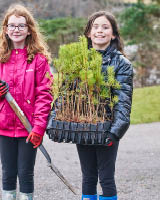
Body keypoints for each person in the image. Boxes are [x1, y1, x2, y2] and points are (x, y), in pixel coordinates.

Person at [0, 4, 53, 200]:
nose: (16, 29)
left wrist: (38, 128)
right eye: (12, 25)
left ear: (29, 29)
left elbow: (44, 96)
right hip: (5, 125)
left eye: (21, 26)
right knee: (8, 173)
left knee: (25, 173)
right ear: (5, 29)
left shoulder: (39, 61)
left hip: (28, 127)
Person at [77, 11, 133, 200]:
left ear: (114, 34)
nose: (100, 31)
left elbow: (123, 104)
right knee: (88, 177)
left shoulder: (122, 63)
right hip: (83, 128)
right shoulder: (79, 61)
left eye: (105, 27)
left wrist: (114, 133)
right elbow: (65, 96)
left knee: (106, 178)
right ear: (88, 33)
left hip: (108, 130)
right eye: (95, 27)